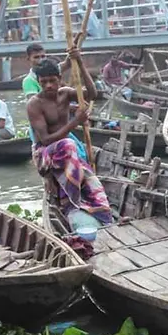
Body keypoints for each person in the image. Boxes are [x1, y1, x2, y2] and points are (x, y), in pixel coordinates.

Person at [28, 58, 114, 234]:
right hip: (45, 154)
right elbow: (45, 140)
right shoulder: (34, 104)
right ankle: (71, 204)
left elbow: (92, 94)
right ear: (38, 82)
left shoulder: (65, 94)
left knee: (95, 187)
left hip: (67, 153)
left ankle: (106, 220)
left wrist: (80, 63)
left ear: (60, 79)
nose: (48, 86)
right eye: (44, 82)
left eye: (52, 81)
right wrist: (76, 122)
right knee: (68, 144)